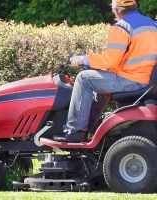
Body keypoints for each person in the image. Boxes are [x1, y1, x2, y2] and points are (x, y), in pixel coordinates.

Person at [53, 0, 157, 143]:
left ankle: (75, 130)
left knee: (84, 79)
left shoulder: (122, 27)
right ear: (135, 7)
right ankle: (87, 129)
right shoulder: (151, 24)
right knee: (97, 84)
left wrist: (84, 59)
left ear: (116, 10)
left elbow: (110, 60)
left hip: (132, 80)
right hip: (146, 80)